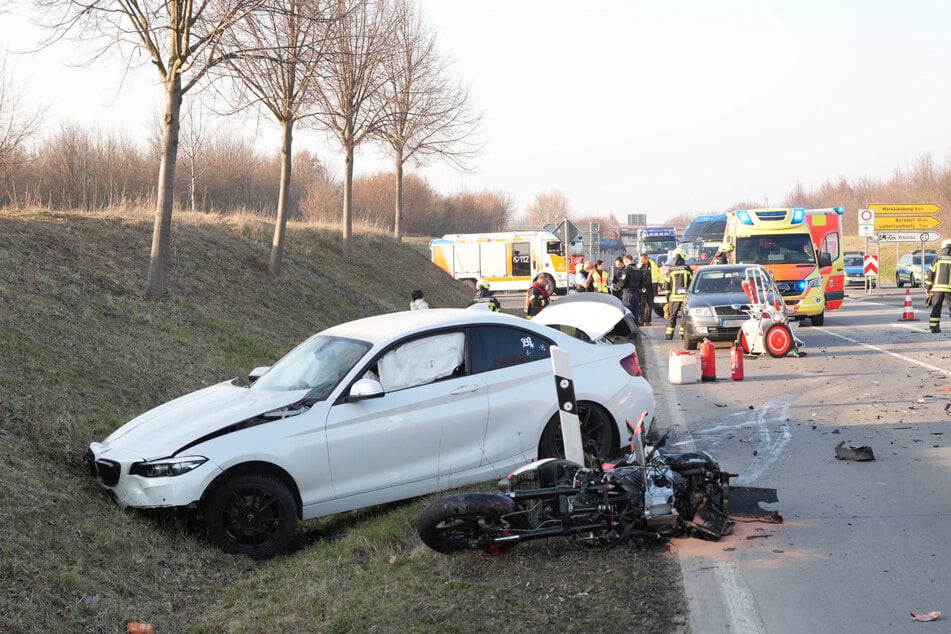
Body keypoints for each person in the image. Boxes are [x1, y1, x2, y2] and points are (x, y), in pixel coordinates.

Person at [664, 250, 693, 340]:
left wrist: (667, 298)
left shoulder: (671, 269)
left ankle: (669, 334)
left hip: (674, 297)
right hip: (685, 297)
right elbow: (691, 283)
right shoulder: (687, 269)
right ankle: (682, 334)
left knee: (672, 315)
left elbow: (667, 285)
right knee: (684, 316)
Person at [925, 239, 951, 333]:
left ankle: (934, 328)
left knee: (936, 308)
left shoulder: (937, 259)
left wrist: (928, 287)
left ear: (943, 248)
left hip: (937, 289)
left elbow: (931, 274)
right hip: (950, 289)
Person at [613, 254, 644, 326]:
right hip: (636, 294)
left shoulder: (626, 270)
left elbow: (623, 282)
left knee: (628, 314)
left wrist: (616, 286)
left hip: (628, 294)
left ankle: (630, 334)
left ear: (626, 261)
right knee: (635, 314)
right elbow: (641, 284)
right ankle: (636, 333)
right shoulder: (639, 270)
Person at [638, 253, 659, 325]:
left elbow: (658, 276)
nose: (641, 261)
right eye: (640, 259)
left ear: (646, 259)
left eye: (642, 259)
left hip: (650, 287)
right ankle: (640, 320)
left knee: (650, 305)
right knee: (641, 304)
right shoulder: (638, 266)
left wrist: (657, 287)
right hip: (641, 287)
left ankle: (648, 321)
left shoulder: (653, 266)